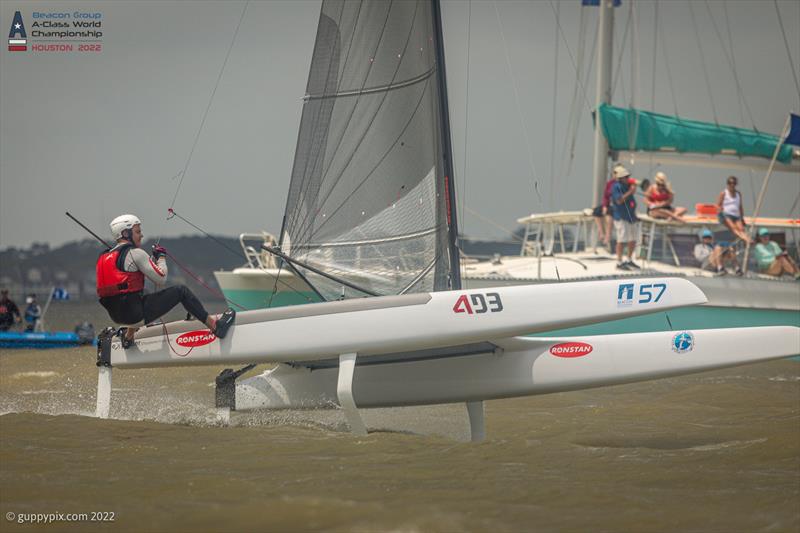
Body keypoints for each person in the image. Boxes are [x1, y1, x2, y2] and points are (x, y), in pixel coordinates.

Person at [96, 214, 235, 348]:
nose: (141, 235)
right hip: (135, 316)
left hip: (117, 317)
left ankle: (128, 337)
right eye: (138, 231)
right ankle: (216, 327)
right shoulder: (135, 253)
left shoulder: (103, 257)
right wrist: (161, 257)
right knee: (181, 291)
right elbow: (161, 278)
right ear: (125, 234)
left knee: (138, 293)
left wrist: (150, 261)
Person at [610, 165, 640, 270]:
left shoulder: (627, 186)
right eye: (625, 177)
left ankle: (629, 259)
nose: (628, 178)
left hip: (630, 216)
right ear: (621, 178)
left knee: (633, 238)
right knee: (621, 239)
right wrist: (630, 192)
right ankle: (619, 261)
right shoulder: (616, 187)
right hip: (621, 217)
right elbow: (619, 200)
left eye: (628, 177)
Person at [591, 163, 625, 251]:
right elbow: (606, 196)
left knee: (609, 214)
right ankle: (601, 233)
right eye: (614, 172)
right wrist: (605, 206)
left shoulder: (623, 184)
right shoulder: (610, 183)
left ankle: (608, 236)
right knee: (596, 211)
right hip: (609, 204)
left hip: (617, 206)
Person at [716, 175, 750, 243]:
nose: (732, 185)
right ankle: (745, 238)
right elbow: (718, 205)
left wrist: (742, 218)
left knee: (741, 229)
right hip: (726, 214)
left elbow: (740, 206)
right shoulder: (724, 193)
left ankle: (744, 237)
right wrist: (720, 212)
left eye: (734, 183)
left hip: (736, 215)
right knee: (733, 227)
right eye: (730, 183)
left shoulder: (738, 194)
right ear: (727, 184)